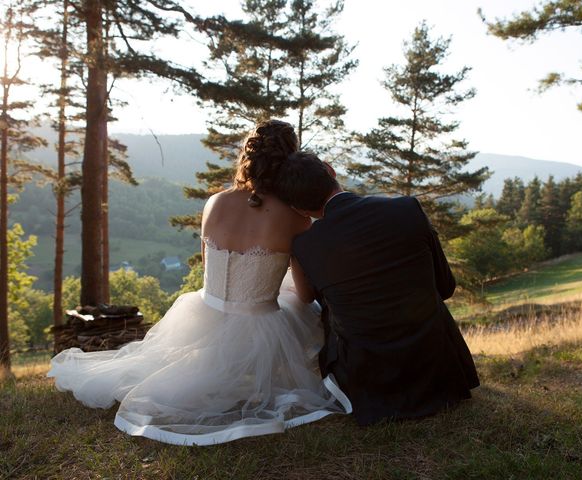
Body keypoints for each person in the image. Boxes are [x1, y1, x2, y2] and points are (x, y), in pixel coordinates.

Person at [47, 120, 351, 446]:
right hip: (260, 327)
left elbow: (210, 270)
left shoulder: (214, 202)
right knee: (302, 309)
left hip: (204, 314)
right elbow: (305, 296)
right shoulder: (296, 218)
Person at [275, 151, 480, 426]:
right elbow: (446, 287)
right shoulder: (407, 209)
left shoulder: (305, 246)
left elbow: (307, 297)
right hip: (438, 370)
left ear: (298, 209)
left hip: (368, 381)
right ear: (330, 170)